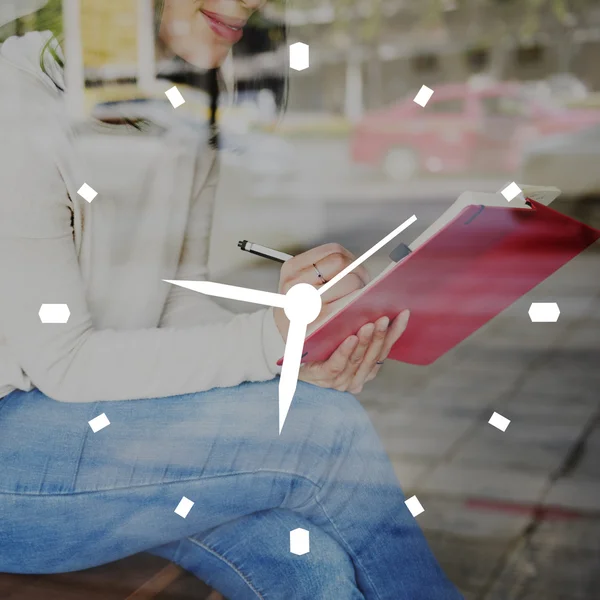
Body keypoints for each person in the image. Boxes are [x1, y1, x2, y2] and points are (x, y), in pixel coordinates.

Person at [0, 1, 463, 598]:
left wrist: (295, 347)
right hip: (18, 452)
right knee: (321, 428)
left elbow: (168, 307)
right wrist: (270, 342)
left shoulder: (186, 103)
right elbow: (62, 361)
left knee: (308, 567)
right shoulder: (18, 108)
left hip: (102, 432)